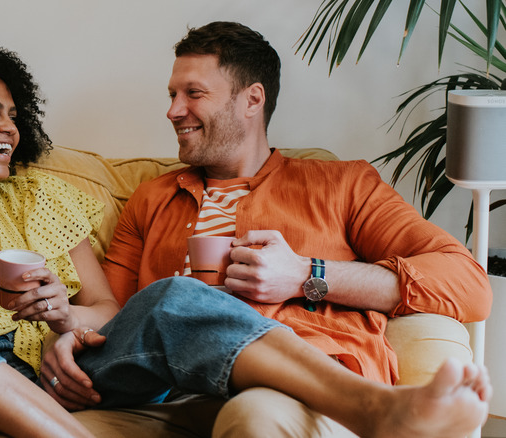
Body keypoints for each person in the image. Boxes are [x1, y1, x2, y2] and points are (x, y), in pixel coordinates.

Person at [0, 36, 490, 438]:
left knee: (177, 297)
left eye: (12, 113)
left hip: (80, 372)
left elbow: (110, 311)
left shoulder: (44, 197)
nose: (9, 126)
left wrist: (63, 318)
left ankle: (374, 409)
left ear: (251, 98)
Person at [44, 21, 493, 437]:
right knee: (169, 301)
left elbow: (468, 284)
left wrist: (307, 274)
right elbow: (117, 317)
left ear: (252, 99)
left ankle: (369, 406)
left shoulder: (342, 185)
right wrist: (67, 336)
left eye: (193, 93)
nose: (173, 111)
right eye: (172, 94)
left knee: (255, 418)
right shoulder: (151, 199)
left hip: (291, 390)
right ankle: (376, 408)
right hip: (164, 390)